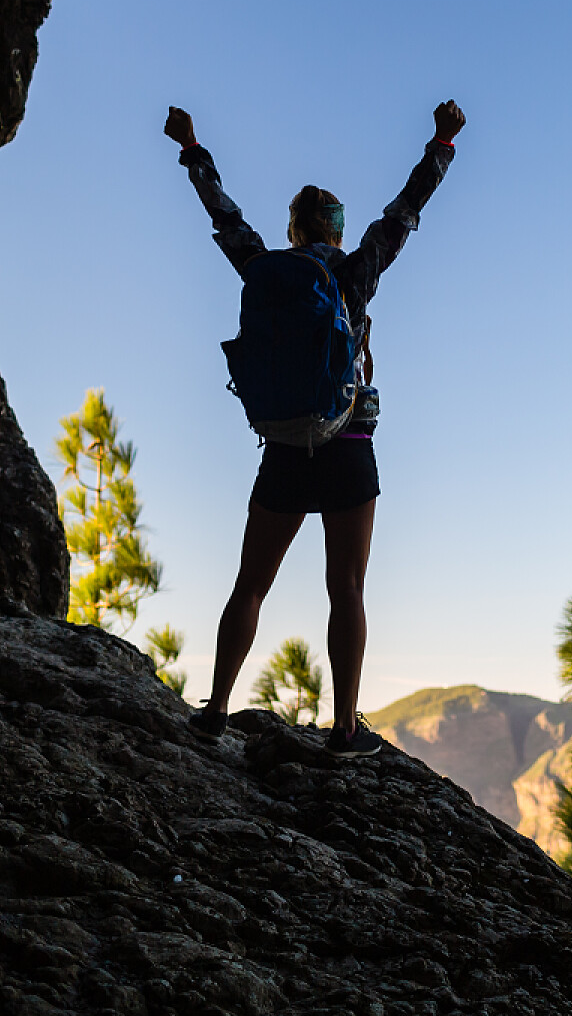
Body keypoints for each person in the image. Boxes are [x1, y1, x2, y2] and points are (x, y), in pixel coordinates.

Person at [163, 99, 465, 755]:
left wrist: (192, 149)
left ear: (295, 233)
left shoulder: (265, 269)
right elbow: (404, 213)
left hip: (282, 447)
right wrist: (440, 143)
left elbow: (225, 216)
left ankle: (215, 710)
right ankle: (346, 730)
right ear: (336, 231)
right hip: (350, 443)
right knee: (347, 589)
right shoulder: (358, 271)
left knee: (251, 582)